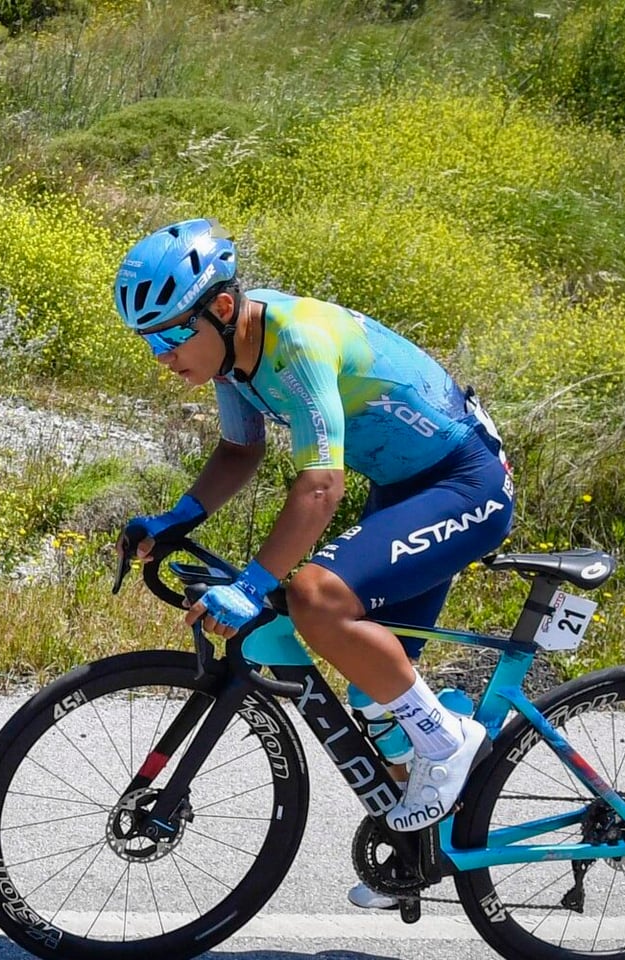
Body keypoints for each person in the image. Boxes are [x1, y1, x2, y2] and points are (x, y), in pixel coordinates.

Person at [113, 219, 515, 907]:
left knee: (315, 597)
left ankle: (450, 742)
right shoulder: (235, 358)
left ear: (223, 307)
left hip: (465, 483)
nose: (163, 356)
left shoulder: (294, 342)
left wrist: (255, 583)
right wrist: (178, 517)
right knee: (375, 692)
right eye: (149, 342)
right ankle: (421, 854)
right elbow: (240, 451)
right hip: (406, 489)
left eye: (171, 336)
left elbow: (321, 487)